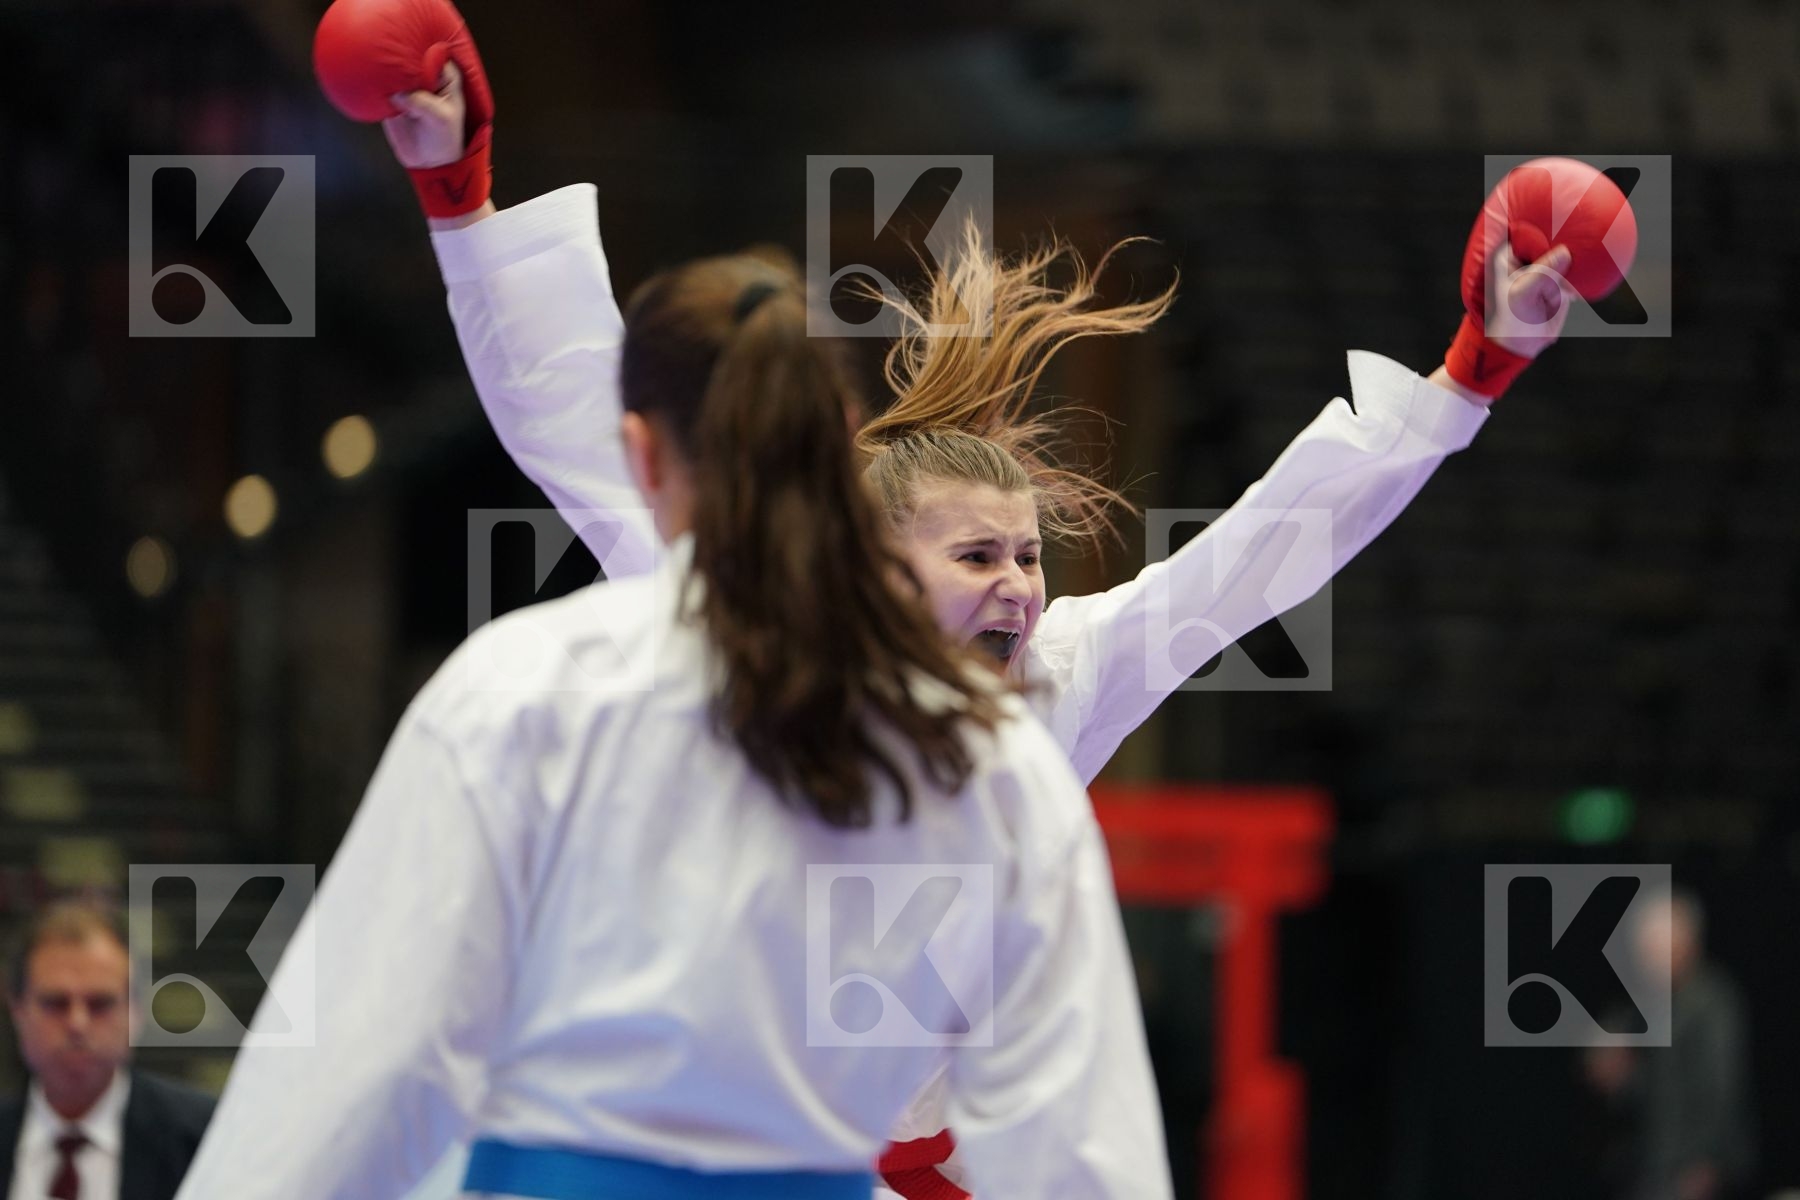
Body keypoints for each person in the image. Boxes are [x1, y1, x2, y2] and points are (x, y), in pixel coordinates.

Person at [380, 40, 1579, 1197]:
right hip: (721, 1155)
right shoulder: (754, 630)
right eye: (977, 556)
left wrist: (1471, 370)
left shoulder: (1065, 672)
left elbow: (1260, 555)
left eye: (1029, 556)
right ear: (870, 567)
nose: (1018, 584)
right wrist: (459, 193)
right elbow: (586, 439)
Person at [173, 190, 1172, 1194]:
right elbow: (1078, 1143)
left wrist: (461, 205)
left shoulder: (518, 689)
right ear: (844, 451)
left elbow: (371, 1060)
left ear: (644, 454)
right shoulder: (989, 755)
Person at [2, 899, 214, 1200]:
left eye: (100, 1003)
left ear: (136, 1011)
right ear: (18, 1010)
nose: (77, 1024)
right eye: (56, 1003)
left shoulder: (204, 1142)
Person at [1584, 890, 1756, 1200]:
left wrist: (1707, 1162)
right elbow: (1640, 1085)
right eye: (1643, 953)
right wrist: (1616, 1071)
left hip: (1693, 1170)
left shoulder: (1712, 1003)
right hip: (1648, 1166)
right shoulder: (1648, 1004)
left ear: (1685, 945)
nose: (1648, 963)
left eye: (1656, 951)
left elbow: (1720, 1090)